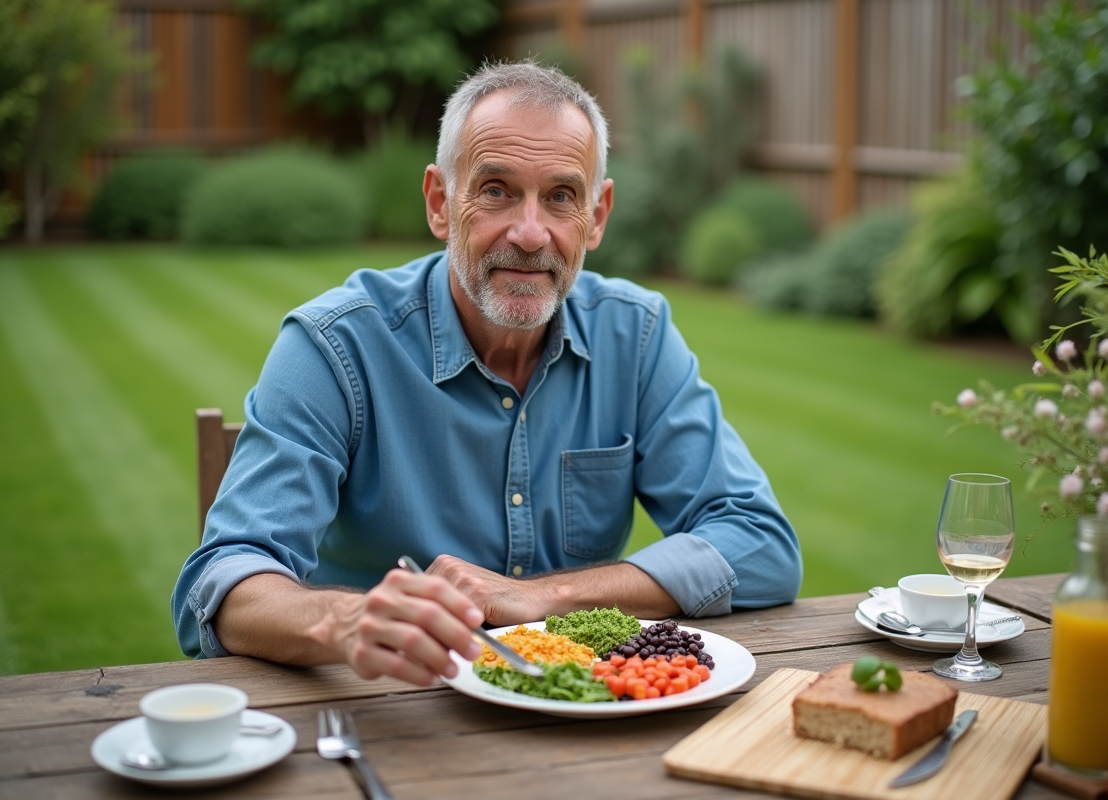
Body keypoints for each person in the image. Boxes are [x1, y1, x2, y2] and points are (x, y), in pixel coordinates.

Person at [172, 61, 801, 686]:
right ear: (440, 203)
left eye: (561, 197)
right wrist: (345, 621)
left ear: (597, 216)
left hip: (580, 708)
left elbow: (762, 544)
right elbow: (223, 583)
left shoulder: (635, 335)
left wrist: (547, 598)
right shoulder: (336, 346)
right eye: (496, 190)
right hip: (389, 705)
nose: (530, 234)